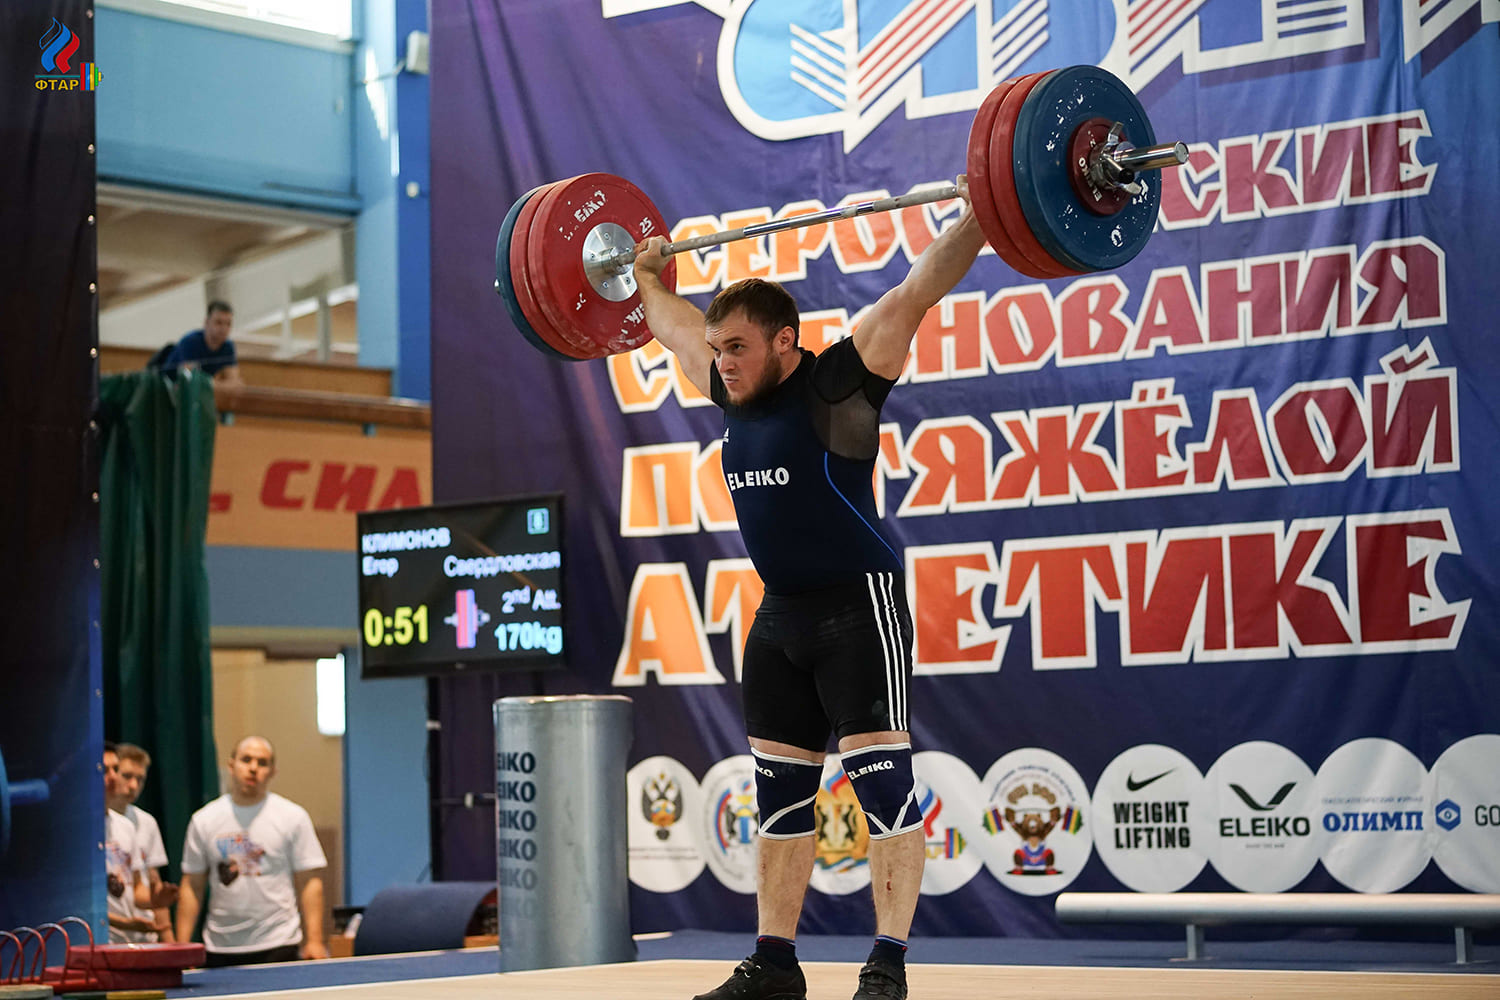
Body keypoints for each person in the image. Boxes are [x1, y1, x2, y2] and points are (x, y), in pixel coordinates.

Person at [631, 177, 986, 1000]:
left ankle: (886, 966)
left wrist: (982, 215)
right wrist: (644, 275)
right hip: (780, 618)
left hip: (859, 609)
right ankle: (775, 964)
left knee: (884, 793)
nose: (722, 362)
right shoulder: (729, 388)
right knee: (780, 800)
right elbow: (671, 324)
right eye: (718, 350)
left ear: (785, 341)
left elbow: (917, 290)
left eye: (737, 348)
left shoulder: (840, 385)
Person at [176, 736, 329, 966]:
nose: (253, 768)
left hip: (279, 943)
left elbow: (310, 881)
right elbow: (192, 885)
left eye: (262, 762)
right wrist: (182, 947)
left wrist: (315, 941)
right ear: (231, 765)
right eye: (246, 760)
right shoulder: (204, 820)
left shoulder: (293, 817)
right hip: (221, 947)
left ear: (273, 771)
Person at [110, 743, 179, 941]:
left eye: (140, 779)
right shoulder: (96, 823)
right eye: (127, 776)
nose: (133, 786)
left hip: (143, 933)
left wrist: (168, 939)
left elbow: (152, 883)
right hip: (110, 934)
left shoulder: (145, 823)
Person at [103, 743, 156, 943]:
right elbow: (78, 905)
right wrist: (123, 923)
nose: (113, 777)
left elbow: (137, 887)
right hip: (100, 942)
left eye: (115, 769)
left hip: (132, 941)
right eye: (104, 770)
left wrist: (156, 900)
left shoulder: (126, 826)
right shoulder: (76, 830)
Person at [159, 301, 244, 389]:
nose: (224, 328)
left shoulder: (228, 346)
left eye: (228, 324)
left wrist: (213, 384)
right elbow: (191, 382)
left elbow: (234, 383)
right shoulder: (190, 342)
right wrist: (220, 384)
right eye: (218, 322)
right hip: (166, 390)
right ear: (206, 322)